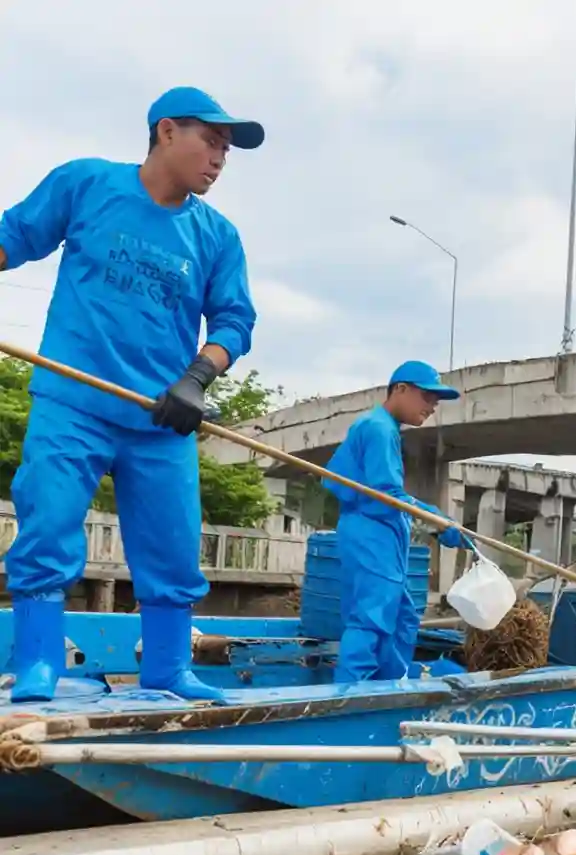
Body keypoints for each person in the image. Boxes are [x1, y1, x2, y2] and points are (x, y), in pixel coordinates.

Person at [0, 87, 263, 704]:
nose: (221, 157)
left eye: (227, 148)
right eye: (212, 141)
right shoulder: (86, 185)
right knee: (49, 519)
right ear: (166, 131)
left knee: (173, 544)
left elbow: (234, 322)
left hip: (161, 417)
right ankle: (37, 661)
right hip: (74, 401)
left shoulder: (216, 236)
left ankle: (169, 668)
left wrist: (196, 378)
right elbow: (13, 237)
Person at [323, 360, 470, 683]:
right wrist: (436, 521)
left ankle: (390, 686)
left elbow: (387, 495)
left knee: (402, 618)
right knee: (370, 619)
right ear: (400, 389)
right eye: (427, 396)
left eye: (436, 401)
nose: (432, 406)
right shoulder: (378, 428)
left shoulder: (384, 428)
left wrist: (435, 520)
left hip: (384, 536)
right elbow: (385, 494)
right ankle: (348, 699)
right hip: (371, 535)